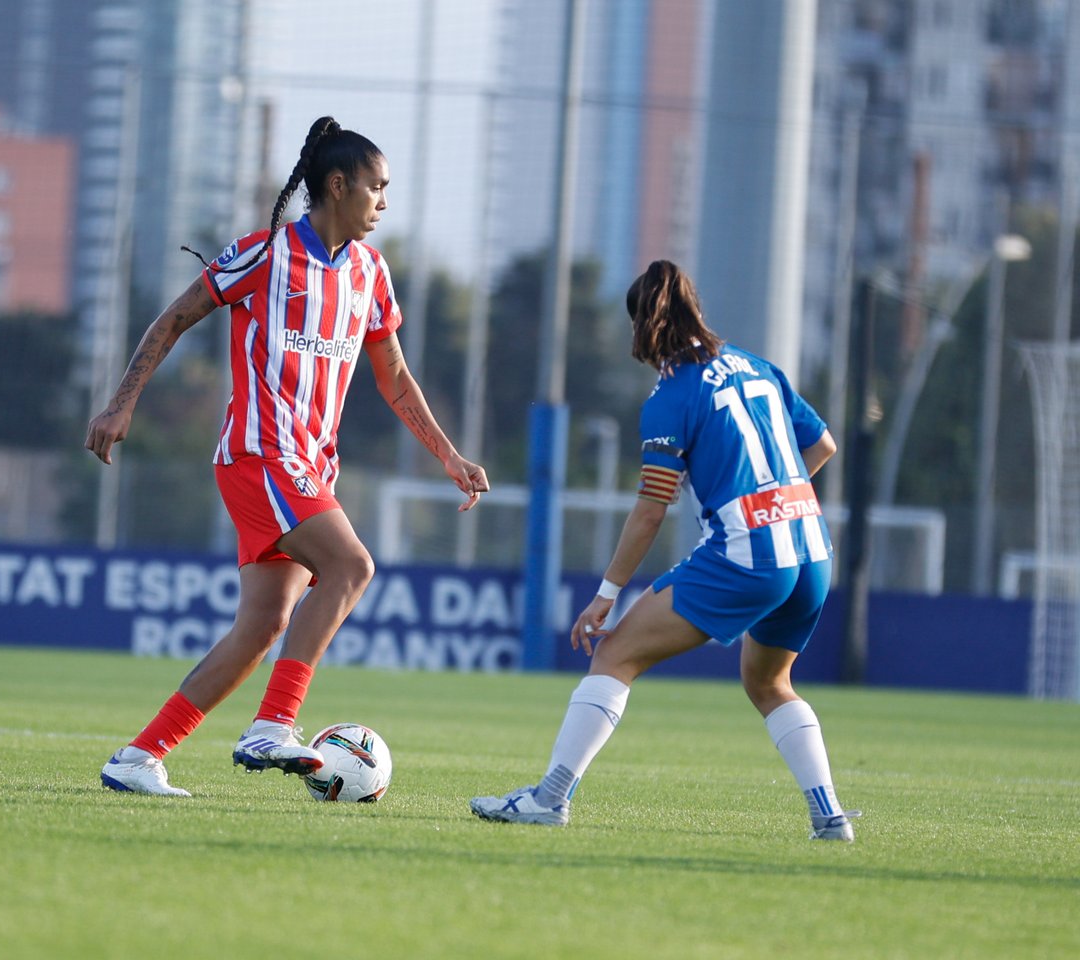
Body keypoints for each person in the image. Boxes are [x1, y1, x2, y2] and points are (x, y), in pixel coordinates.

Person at [88, 115, 489, 796]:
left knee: (263, 624)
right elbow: (174, 318)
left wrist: (447, 455)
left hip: (308, 467)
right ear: (338, 185)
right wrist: (121, 403)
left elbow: (394, 375)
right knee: (353, 566)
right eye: (376, 187)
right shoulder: (265, 254)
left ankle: (138, 757)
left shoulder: (370, 272)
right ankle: (272, 724)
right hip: (261, 455)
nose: (384, 203)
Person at [471, 260, 859, 840]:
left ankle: (549, 799)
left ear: (642, 327)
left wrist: (606, 595)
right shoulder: (758, 366)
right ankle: (829, 817)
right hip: (811, 552)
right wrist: (779, 501)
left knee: (614, 655)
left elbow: (652, 510)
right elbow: (823, 444)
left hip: (748, 554)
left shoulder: (671, 396)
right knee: (770, 683)